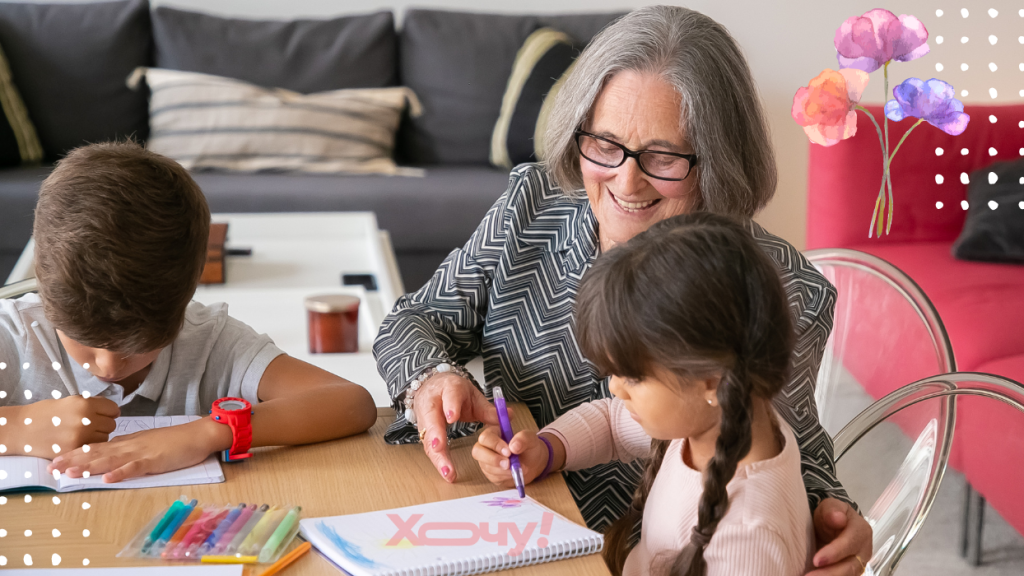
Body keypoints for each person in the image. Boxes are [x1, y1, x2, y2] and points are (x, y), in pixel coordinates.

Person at [373, 6, 871, 574]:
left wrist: (833, 515)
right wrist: (435, 379)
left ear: (719, 159)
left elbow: (787, 448)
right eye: (604, 145)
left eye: (662, 157)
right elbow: (414, 320)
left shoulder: (779, 288)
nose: (626, 182)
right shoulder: (530, 207)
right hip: (506, 530)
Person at [0, 142, 377, 483]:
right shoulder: (14, 334)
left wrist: (207, 433)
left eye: (137, 345)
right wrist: (17, 426)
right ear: (45, 288)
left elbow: (350, 402)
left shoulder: (211, 342)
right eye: (84, 340)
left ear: (185, 298)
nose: (109, 366)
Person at [474, 213, 813, 575]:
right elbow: (610, 421)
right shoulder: (724, 419)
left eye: (632, 377)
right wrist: (546, 451)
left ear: (711, 381)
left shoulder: (748, 539)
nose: (614, 387)